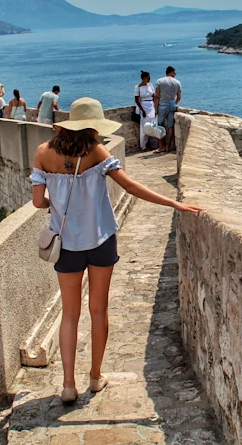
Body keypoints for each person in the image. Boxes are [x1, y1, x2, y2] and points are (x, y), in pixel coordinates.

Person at [30, 98, 202, 404]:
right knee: (99, 310)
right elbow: (131, 187)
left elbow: (37, 202)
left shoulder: (44, 153)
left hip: (65, 244)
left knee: (69, 314)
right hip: (100, 240)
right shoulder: (96, 152)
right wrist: (174, 203)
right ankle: (95, 377)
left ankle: (68, 385)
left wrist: (53, 204)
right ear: (94, 127)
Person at [153, 66, 181, 153]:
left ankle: (161, 147)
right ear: (171, 72)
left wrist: (156, 109)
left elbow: (156, 96)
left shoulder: (159, 81)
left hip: (162, 105)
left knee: (160, 126)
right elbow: (179, 97)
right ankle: (168, 146)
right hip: (172, 105)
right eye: (174, 73)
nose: (175, 75)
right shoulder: (177, 82)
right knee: (170, 127)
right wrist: (174, 103)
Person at [133, 71, 156, 151]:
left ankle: (154, 144)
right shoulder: (138, 87)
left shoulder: (151, 85)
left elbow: (154, 96)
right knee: (144, 127)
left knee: (153, 125)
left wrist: (156, 107)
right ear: (143, 78)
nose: (149, 79)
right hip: (143, 106)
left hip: (151, 105)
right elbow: (136, 100)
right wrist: (142, 110)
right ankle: (144, 146)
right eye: (148, 78)